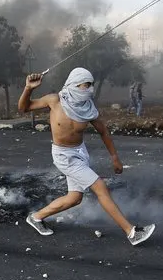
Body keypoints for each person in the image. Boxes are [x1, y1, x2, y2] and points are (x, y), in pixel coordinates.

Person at [18, 67, 155, 246]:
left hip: (80, 153)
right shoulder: (55, 100)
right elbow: (23, 108)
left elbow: (103, 131)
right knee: (100, 187)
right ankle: (131, 232)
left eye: (91, 85)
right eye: (85, 85)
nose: (89, 89)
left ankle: (36, 217)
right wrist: (29, 88)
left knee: (75, 198)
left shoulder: (88, 108)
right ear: (74, 85)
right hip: (63, 156)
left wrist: (114, 157)